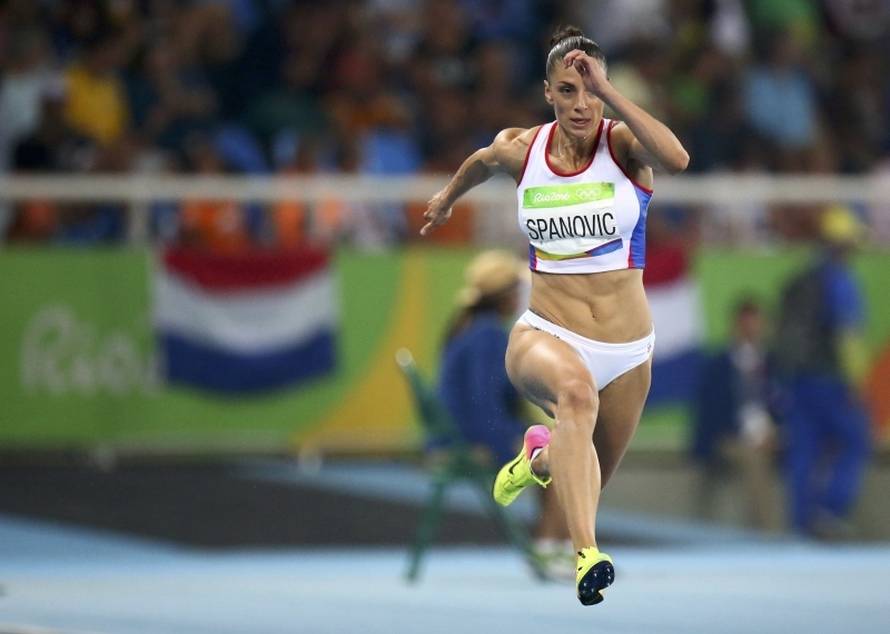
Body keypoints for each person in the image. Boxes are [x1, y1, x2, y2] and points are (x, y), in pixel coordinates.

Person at [420, 26, 689, 605]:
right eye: (568, 89)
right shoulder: (525, 150)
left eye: (590, 88)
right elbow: (480, 161)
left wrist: (610, 92)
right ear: (548, 92)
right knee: (575, 396)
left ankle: (539, 454)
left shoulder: (622, 146)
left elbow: (677, 158)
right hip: (545, 333)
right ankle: (586, 555)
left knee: (588, 474)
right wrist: (447, 197)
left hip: (626, 352)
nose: (581, 103)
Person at [437, 250, 571, 574]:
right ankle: (550, 547)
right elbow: (483, 409)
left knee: (559, 451)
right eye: (516, 290)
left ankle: (557, 546)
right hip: (471, 439)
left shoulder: (472, 330)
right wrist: (512, 443)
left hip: (466, 432)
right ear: (505, 296)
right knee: (565, 457)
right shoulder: (486, 336)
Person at [773, 205, 872, 539]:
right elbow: (846, 336)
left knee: (804, 449)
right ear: (843, 244)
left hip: (797, 381)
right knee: (857, 441)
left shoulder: (799, 278)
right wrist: (855, 383)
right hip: (831, 380)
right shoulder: (840, 280)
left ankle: (800, 525)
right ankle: (830, 509)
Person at [690, 297, 780, 531]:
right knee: (753, 457)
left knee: (808, 449)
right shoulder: (719, 365)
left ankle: (812, 524)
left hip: (770, 434)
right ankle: (766, 532)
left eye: (755, 324)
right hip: (731, 437)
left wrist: (772, 431)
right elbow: (711, 412)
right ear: (735, 326)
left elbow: (782, 404)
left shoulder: (773, 363)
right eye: (745, 324)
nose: (750, 329)